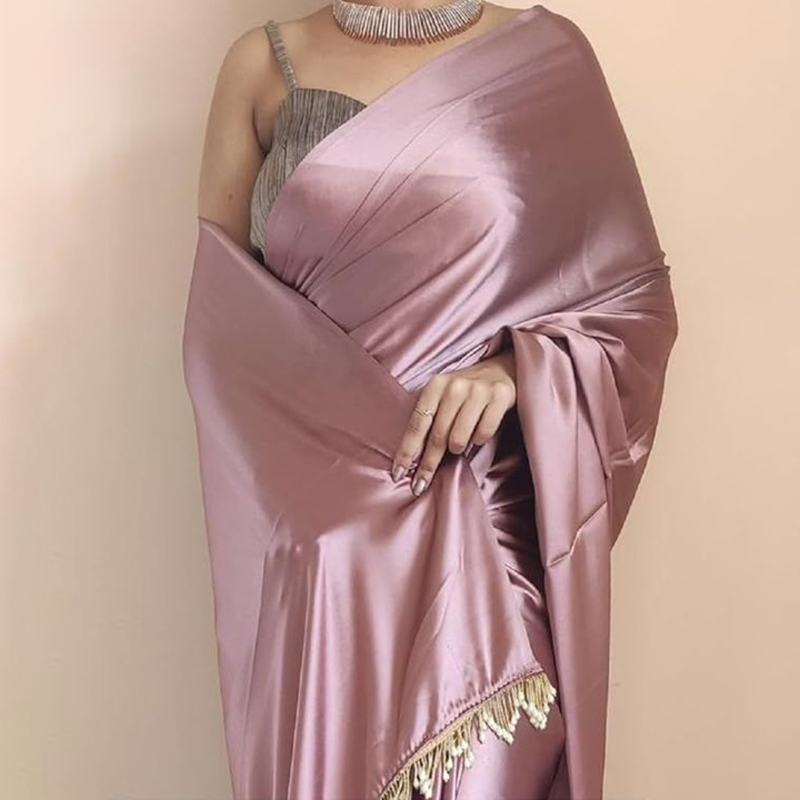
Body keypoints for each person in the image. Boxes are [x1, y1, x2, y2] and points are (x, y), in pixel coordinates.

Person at [185, 3, 679, 799]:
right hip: (321, 560)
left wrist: (517, 373)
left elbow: (635, 309)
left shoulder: (548, 60)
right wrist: (323, 500)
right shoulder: (263, 67)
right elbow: (223, 331)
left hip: (479, 550)